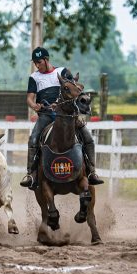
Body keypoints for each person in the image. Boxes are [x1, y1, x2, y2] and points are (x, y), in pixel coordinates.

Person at [19, 46, 103, 189]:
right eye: (34, 63)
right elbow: (29, 98)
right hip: (46, 116)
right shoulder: (34, 77)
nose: (36, 65)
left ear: (46, 60)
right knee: (33, 139)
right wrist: (35, 106)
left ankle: (91, 172)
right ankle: (31, 174)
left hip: (68, 116)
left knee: (88, 139)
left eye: (38, 62)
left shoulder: (63, 72)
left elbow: (74, 90)